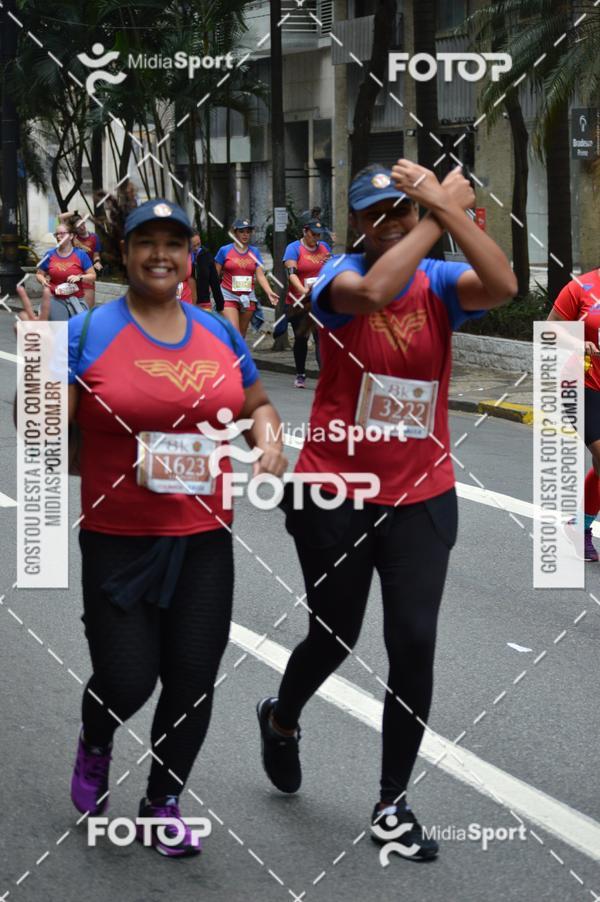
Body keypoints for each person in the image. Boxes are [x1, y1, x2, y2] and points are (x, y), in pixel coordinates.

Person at [256, 162, 517, 860]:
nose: (395, 222)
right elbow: (373, 293)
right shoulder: (336, 277)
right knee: (334, 636)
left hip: (421, 495)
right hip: (334, 493)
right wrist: (437, 210)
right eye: (380, 215)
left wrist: (446, 212)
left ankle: (392, 801)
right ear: (358, 226)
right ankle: (281, 720)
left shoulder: (437, 284)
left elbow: (504, 286)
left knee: (413, 642)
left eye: (404, 210)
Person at [18, 199, 287, 857]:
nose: (160, 254)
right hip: (118, 538)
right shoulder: (87, 332)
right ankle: (97, 740)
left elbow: (255, 401)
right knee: (129, 678)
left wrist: (270, 436)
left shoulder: (218, 332)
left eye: (173, 242)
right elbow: (41, 436)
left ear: (190, 252)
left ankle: (163, 801)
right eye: (146, 243)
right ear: (126, 253)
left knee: (193, 680)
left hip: (203, 537)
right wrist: (37, 357)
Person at [548, 273, 600, 560]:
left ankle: (580, 527)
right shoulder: (582, 287)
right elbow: (551, 327)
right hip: (580, 383)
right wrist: (579, 343)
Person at [282, 220, 331, 388]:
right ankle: (301, 373)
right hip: (298, 301)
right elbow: (291, 273)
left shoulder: (324, 247)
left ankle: (324, 375)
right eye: (313, 234)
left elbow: (330, 267)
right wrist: (303, 290)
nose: (316, 238)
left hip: (319, 300)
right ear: (305, 231)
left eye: (319, 235)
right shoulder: (293, 248)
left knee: (321, 337)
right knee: (301, 338)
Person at [214, 218, 279, 336]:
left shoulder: (255, 252)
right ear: (235, 232)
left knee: (241, 335)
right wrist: (210, 295)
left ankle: (235, 353)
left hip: (248, 297)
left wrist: (269, 292)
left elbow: (260, 275)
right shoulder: (224, 250)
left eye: (248, 232)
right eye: (241, 231)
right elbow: (214, 274)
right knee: (235, 332)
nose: (245, 235)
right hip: (228, 295)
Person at [36, 222, 96, 319]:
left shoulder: (81, 255)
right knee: (61, 329)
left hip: (76, 299)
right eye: (56, 234)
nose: (58, 236)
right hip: (55, 298)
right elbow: (39, 274)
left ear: (71, 236)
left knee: (78, 331)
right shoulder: (49, 254)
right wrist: (42, 280)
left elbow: (93, 276)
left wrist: (79, 277)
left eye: (62, 233)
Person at [73, 217, 103, 308]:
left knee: (88, 306)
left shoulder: (94, 237)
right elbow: (61, 218)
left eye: (82, 224)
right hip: (74, 271)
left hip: (88, 272)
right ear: (75, 229)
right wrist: (75, 213)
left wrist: (97, 262)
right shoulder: (73, 238)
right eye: (78, 227)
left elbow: (96, 254)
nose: (82, 227)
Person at [193, 234, 224, 313]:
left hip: (204, 302)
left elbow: (215, 282)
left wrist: (220, 304)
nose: (196, 248)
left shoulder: (206, 255)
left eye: (198, 244)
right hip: (185, 302)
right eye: (193, 246)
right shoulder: (182, 256)